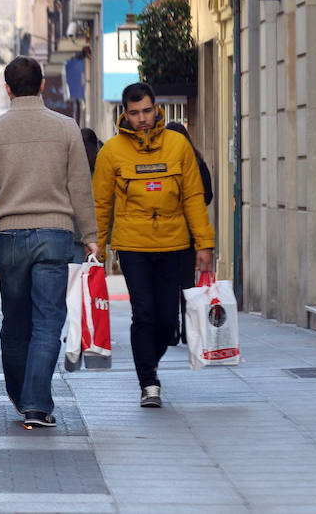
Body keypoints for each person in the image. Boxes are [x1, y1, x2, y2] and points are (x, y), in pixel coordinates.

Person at [0, 56, 99, 429]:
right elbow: (80, 186)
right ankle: (35, 403)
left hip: (10, 235)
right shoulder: (66, 127)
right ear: (43, 85)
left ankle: (21, 396)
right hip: (56, 233)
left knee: (15, 322)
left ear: (8, 88)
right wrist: (91, 236)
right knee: (48, 321)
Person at [92, 82, 215, 408]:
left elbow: (193, 197)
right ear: (125, 114)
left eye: (147, 111)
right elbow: (101, 204)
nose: (142, 118)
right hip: (133, 248)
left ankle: (150, 359)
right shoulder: (112, 152)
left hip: (174, 244)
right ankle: (149, 382)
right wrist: (97, 248)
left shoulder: (178, 145)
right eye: (135, 113)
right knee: (144, 314)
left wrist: (204, 244)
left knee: (166, 321)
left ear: (156, 108)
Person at [165, 121, 213, 345]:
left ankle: (172, 328)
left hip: (169, 231)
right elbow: (208, 195)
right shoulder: (198, 162)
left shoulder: (166, 163)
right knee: (187, 282)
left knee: (169, 282)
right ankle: (188, 329)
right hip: (190, 231)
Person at [71, 127, 103, 263]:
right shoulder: (73, 166)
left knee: (92, 274)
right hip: (77, 235)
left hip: (98, 233)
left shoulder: (103, 165)